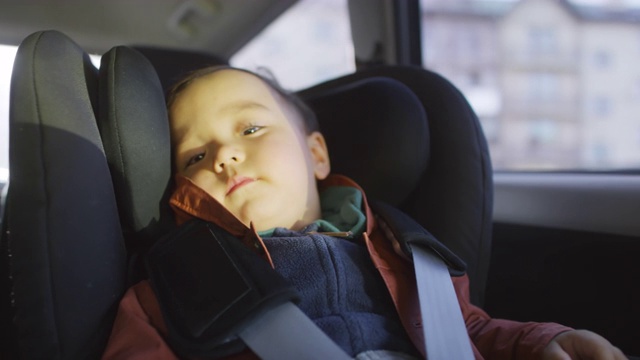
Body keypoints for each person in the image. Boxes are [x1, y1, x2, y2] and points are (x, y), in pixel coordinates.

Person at [102, 66, 626, 360]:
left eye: (251, 129)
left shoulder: (401, 248)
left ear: (317, 154)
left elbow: (468, 328)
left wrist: (539, 343)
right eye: (195, 156)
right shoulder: (169, 291)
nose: (224, 155)